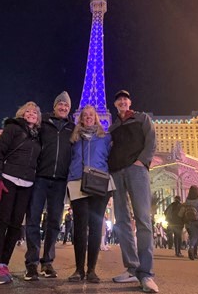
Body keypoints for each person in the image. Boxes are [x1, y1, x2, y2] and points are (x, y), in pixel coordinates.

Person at [108, 90, 158, 293]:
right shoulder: (112, 127)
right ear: (115, 104)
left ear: (129, 102)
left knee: (143, 219)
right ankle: (132, 268)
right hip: (116, 173)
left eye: (125, 99)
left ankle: (146, 274)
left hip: (136, 171)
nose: (122, 101)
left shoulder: (141, 118)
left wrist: (141, 162)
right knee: (121, 221)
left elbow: (151, 141)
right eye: (119, 99)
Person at [0, 101, 41, 285]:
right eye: (28, 111)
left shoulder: (37, 136)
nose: (31, 113)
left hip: (26, 185)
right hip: (7, 180)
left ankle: (3, 264)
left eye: (35, 111)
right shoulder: (12, 128)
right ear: (22, 113)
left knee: (16, 226)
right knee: (2, 222)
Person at [24, 92, 75, 281]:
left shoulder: (73, 128)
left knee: (54, 222)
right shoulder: (42, 122)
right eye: (60, 104)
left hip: (61, 181)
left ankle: (47, 262)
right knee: (33, 220)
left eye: (66, 106)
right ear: (54, 106)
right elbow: (25, 127)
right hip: (40, 178)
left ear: (69, 109)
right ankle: (31, 264)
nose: (63, 107)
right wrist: (4, 131)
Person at [67, 105, 112, 283]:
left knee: (95, 228)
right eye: (85, 115)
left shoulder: (105, 138)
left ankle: (91, 269)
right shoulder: (73, 138)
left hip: (98, 184)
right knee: (79, 227)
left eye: (91, 115)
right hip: (77, 182)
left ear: (96, 117)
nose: (88, 117)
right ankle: (79, 270)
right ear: (80, 118)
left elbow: (115, 157)